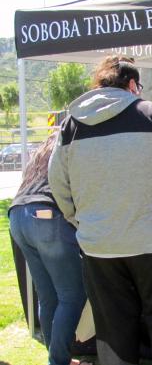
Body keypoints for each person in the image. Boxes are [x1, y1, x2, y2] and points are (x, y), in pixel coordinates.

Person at [48, 56, 152, 365]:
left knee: (113, 330)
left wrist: (81, 220)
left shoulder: (70, 124)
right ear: (131, 84)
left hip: (100, 245)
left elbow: (57, 182)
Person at [9, 133, 87, 365]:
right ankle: (58, 360)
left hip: (18, 215)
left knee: (48, 296)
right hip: (47, 216)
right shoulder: (74, 147)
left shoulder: (42, 152)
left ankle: (58, 357)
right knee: (72, 296)